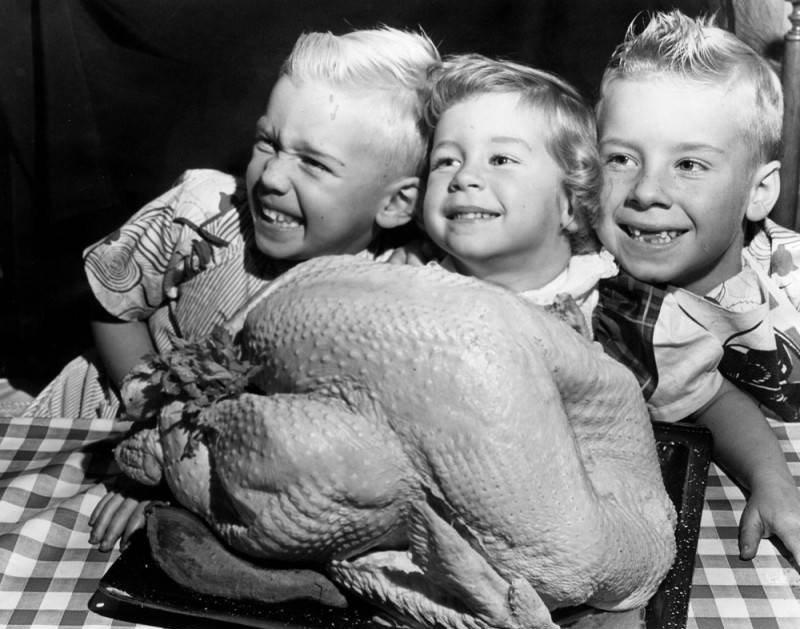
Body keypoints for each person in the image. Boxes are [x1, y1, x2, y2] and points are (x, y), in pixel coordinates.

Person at [25, 26, 441, 552]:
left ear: (397, 204)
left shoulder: (379, 295)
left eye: (313, 163)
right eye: (268, 142)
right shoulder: (201, 211)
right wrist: (154, 426)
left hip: (221, 494)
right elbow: (111, 306)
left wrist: (174, 477)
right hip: (91, 430)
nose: (270, 177)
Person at [592, 10, 800, 564]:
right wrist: (769, 475)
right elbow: (708, 397)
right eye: (620, 158)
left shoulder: (794, 275)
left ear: (759, 193)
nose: (646, 190)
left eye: (689, 164)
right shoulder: (597, 297)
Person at [417, 53, 617, 337]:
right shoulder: (408, 291)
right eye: (447, 161)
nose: (464, 177)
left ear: (571, 204)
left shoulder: (617, 299)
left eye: (500, 160)